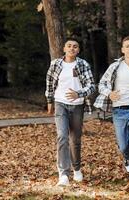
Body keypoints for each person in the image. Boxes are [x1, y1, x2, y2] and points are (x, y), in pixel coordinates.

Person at [94, 36, 129, 190]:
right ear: (123, 50)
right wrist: (109, 93)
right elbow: (101, 84)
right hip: (118, 111)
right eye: (127, 46)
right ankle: (127, 159)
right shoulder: (115, 67)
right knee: (124, 146)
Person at [45, 38, 95, 186]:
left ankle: (77, 168)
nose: (72, 48)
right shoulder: (56, 64)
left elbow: (92, 86)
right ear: (64, 49)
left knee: (75, 139)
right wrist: (49, 101)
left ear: (78, 50)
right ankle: (63, 174)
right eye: (69, 46)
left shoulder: (83, 64)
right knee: (62, 137)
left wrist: (78, 94)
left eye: (75, 47)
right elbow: (49, 82)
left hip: (77, 105)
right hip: (60, 103)